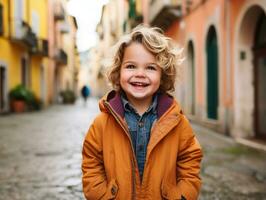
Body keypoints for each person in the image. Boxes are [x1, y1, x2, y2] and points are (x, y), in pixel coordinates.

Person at [82, 25, 203, 200]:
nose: (140, 74)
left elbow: (190, 159)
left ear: (163, 75)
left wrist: (182, 195)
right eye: (131, 66)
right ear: (118, 71)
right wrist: (102, 196)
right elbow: (91, 163)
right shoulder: (102, 123)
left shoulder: (177, 121)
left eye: (151, 68)